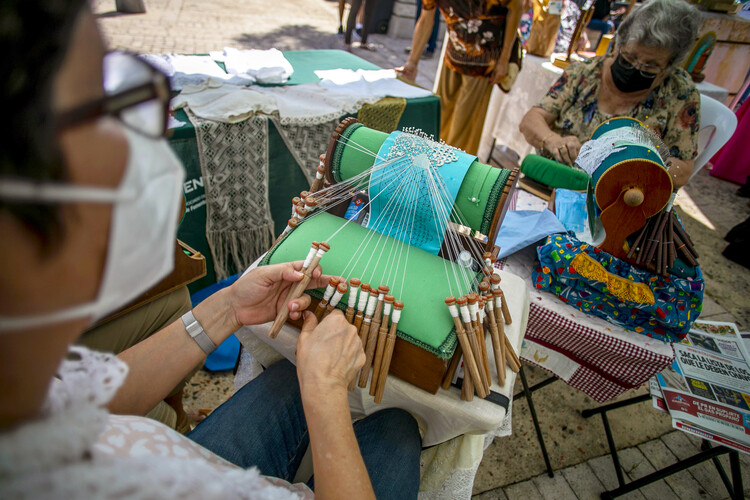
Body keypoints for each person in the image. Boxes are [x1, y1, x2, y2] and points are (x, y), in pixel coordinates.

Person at [0, 2, 421, 498]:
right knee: (397, 431)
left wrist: (226, 308)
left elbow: (75, 406)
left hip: (155, 452)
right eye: (99, 115)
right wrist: (325, 397)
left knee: (303, 383)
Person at [519, 0, 701, 189]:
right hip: (553, 184)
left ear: (669, 66)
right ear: (618, 45)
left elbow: (683, 168)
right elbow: (531, 119)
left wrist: (635, 170)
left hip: (619, 201)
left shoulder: (679, 93)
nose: (636, 68)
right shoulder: (584, 73)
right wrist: (553, 141)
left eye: (650, 66)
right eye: (630, 57)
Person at [397, 0, 523, 155]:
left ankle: (451, 171)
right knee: (439, 118)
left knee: (463, 129)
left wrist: (504, 58)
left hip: (483, 60)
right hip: (453, 55)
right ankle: (430, 163)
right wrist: (412, 62)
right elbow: (426, 18)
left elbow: (516, 7)